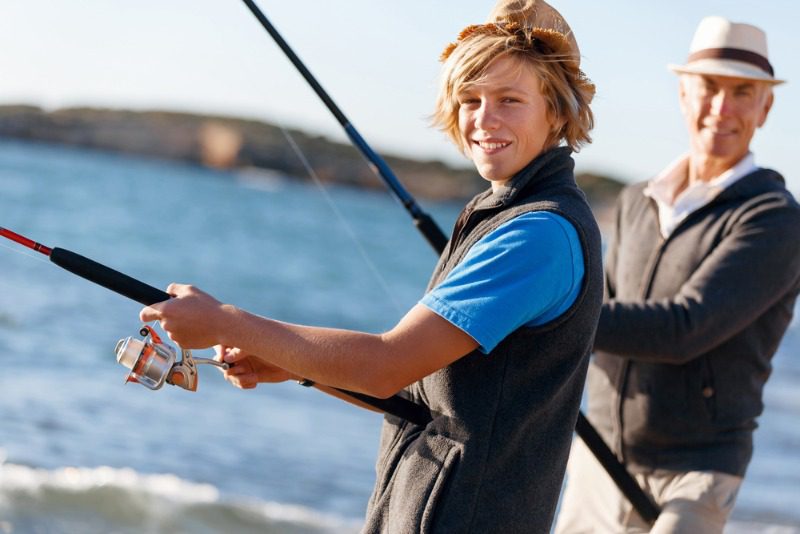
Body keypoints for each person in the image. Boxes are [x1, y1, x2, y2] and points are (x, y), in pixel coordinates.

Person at [141, 1, 603, 532]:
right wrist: (296, 366)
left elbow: (388, 363)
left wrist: (225, 321)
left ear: (558, 112)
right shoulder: (504, 215)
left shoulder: (539, 235)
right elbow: (419, 395)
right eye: (470, 99)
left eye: (509, 100)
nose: (483, 119)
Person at [555, 15, 800, 534]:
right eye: (708, 87)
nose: (722, 107)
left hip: (697, 471)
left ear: (766, 106)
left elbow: (685, 328)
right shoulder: (634, 201)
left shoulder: (775, 218)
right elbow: (601, 306)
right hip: (599, 454)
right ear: (684, 94)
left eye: (742, 92)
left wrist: (548, 315)